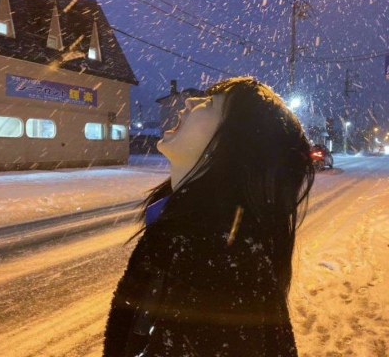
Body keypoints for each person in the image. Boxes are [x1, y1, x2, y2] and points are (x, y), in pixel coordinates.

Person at [103, 77, 315, 357]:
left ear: (233, 146)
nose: (190, 101)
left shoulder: (220, 257)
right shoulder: (196, 231)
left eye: (211, 104)